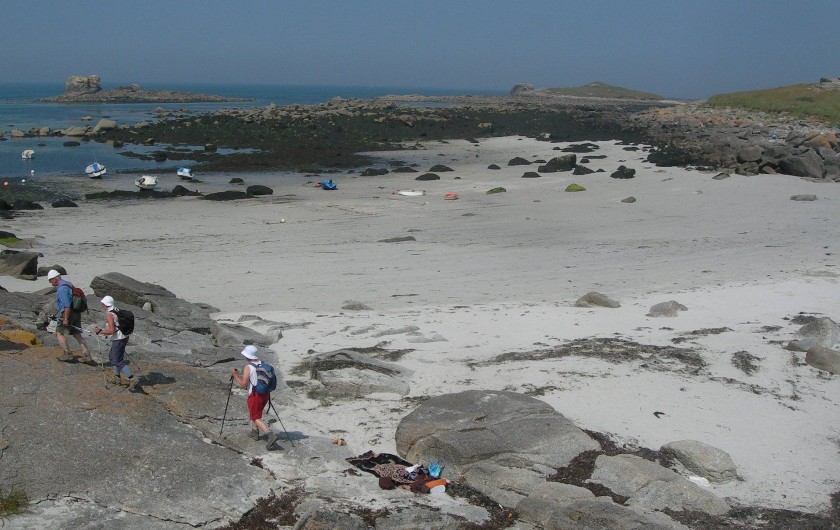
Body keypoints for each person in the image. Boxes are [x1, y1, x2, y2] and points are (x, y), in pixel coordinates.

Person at [231, 345, 278, 449]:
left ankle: (270, 434)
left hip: (255, 395)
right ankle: (254, 432)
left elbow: (243, 385)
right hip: (265, 394)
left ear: (247, 356)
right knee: (255, 413)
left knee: (255, 417)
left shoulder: (248, 367)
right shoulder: (263, 364)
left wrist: (235, 376)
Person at [47, 269, 92, 364]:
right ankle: (87, 355)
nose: (50, 282)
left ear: (55, 279)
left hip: (68, 313)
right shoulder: (68, 284)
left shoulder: (62, 289)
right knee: (77, 334)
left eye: (50, 280)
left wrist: (65, 319)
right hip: (76, 313)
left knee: (59, 333)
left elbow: (66, 305)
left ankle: (67, 354)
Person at [94, 296, 138, 390]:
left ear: (106, 305)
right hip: (124, 336)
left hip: (119, 338)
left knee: (117, 360)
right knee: (112, 356)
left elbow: (111, 331)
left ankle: (131, 378)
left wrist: (100, 331)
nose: (102, 306)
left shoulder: (110, 314)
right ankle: (117, 377)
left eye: (103, 304)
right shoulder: (116, 309)